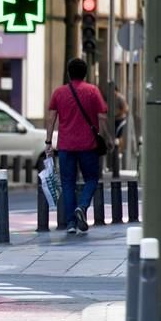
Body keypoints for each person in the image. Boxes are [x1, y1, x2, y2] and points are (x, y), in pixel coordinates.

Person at [45, 58, 114, 234]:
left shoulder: (59, 93)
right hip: (88, 145)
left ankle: (71, 224)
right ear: (85, 73)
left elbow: (51, 117)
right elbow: (103, 117)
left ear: (69, 73)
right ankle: (82, 207)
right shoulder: (92, 91)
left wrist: (48, 142)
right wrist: (108, 137)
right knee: (91, 179)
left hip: (66, 145)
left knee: (68, 183)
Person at [114, 86, 129, 150]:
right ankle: (117, 148)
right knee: (116, 135)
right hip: (116, 119)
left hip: (121, 119)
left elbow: (125, 109)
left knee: (119, 135)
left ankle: (120, 150)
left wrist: (118, 114)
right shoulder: (114, 98)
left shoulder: (120, 97)